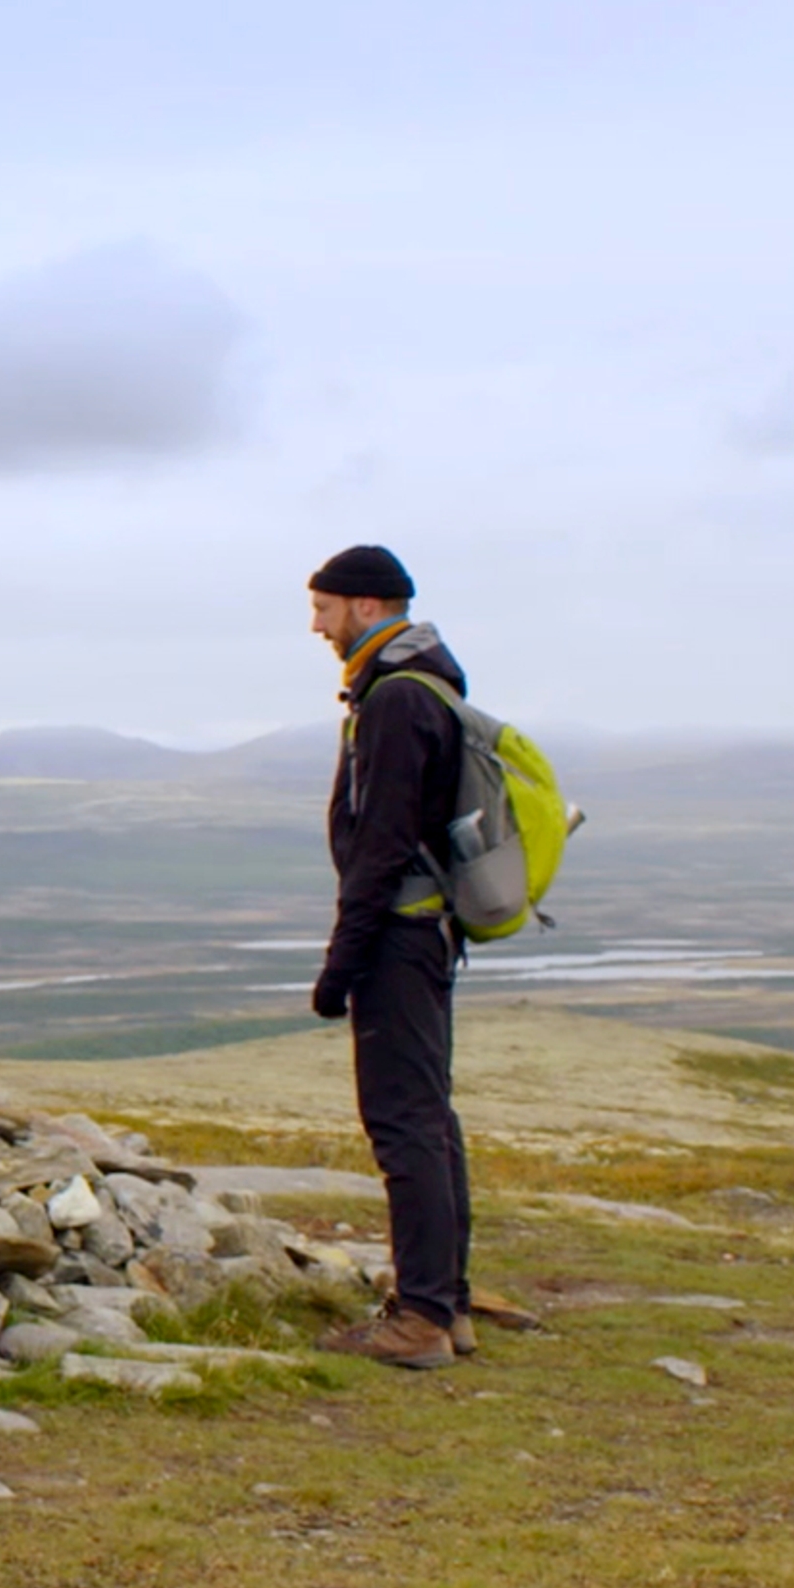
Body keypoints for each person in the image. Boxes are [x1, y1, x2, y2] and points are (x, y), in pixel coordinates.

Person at [304, 544, 479, 1369]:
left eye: (325, 608)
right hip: (423, 930)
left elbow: (379, 845)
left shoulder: (397, 702)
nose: (316, 625)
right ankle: (449, 1304)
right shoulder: (423, 686)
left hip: (398, 937)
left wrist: (341, 966)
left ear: (367, 607)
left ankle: (421, 1321)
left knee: (405, 1124)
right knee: (429, 1117)